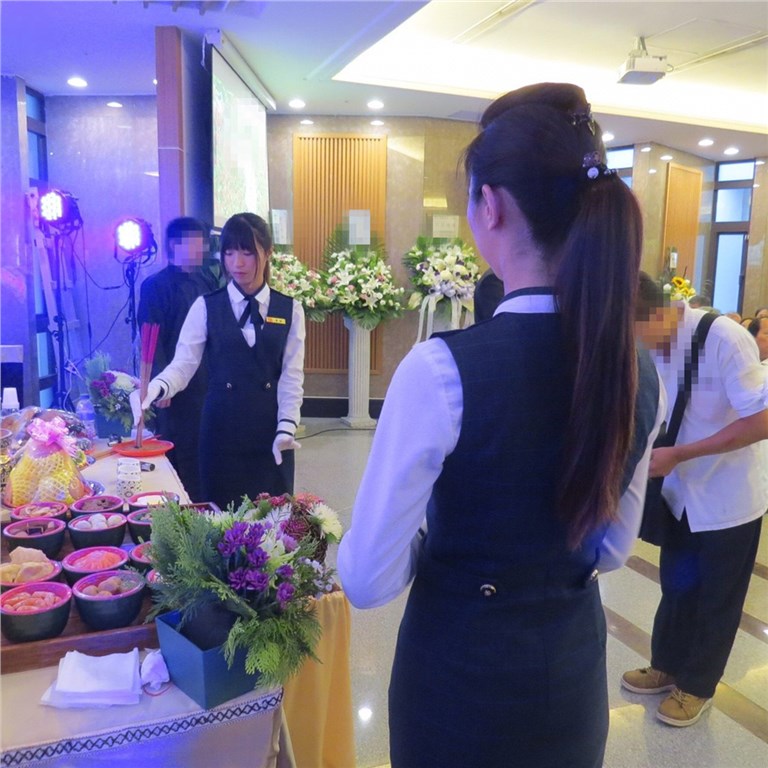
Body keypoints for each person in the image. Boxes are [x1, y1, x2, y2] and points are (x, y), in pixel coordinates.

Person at [338, 83, 664, 768]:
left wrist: (439, 540)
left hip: (460, 686)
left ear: (490, 205)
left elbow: (366, 580)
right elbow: (610, 550)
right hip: (572, 679)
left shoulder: (440, 370)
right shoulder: (636, 367)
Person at [622, 274, 768, 727]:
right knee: (677, 586)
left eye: (632, 333)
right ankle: (666, 666)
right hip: (680, 494)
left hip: (728, 497)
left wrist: (682, 454)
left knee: (716, 598)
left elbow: (762, 419)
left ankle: (698, 686)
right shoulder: (653, 345)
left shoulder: (725, 339)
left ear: (653, 314)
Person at [135, 213, 305, 510]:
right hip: (220, 431)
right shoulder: (206, 306)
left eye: (247, 252)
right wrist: (157, 387)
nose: (237, 263)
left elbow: (291, 376)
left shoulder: (290, 309)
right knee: (220, 522)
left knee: (272, 523)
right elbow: (183, 364)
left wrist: (287, 427)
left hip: (271, 433)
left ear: (268, 252)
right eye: (229, 252)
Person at [136, 217, 221, 501]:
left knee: (205, 443)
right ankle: (180, 504)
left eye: (203, 243)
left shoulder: (207, 280)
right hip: (172, 383)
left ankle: (205, 501)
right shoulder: (155, 286)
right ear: (175, 245)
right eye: (196, 242)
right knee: (178, 445)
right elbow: (151, 336)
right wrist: (161, 384)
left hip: (206, 379)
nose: (202, 249)